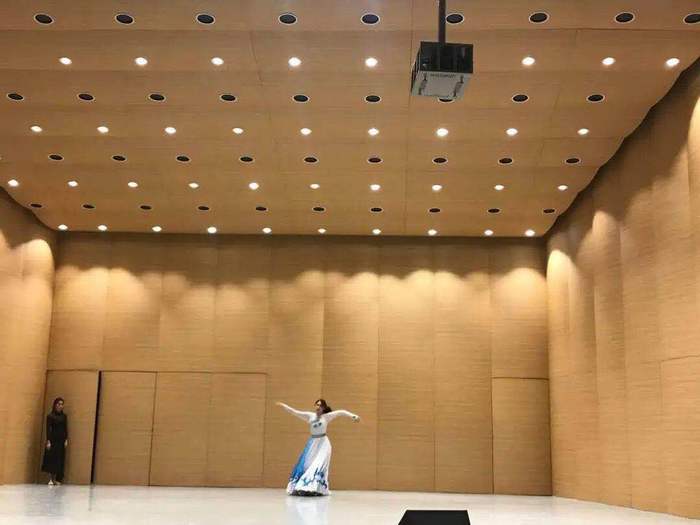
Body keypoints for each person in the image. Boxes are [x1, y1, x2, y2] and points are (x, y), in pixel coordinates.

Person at [277, 399, 360, 496]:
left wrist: (353, 416)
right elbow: (295, 412)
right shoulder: (310, 416)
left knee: (319, 464)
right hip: (313, 444)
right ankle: (304, 486)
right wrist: (283, 405)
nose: (318, 407)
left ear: (323, 408)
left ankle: (313, 487)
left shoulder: (327, 417)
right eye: (316, 405)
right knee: (307, 465)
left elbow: (341, 412)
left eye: (320, 405)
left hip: (323, 444)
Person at [41, 397, 68, 486]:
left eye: (62, 404)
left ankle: (58, 479)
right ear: (55, 405)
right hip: (53, 440)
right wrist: (48, 441)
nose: (60, 406)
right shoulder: (50, 416)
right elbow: (48, 429)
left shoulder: (64, 416)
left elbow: (65, 428)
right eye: (59, 404)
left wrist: (66, 439)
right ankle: (50, 479)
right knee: (51, 458)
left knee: (60, 458)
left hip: (61, 440)